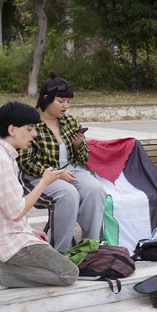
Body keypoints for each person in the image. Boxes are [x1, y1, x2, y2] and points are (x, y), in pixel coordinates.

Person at [0, 102, 79, 288]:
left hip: (1, 236)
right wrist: (44, 182)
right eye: (29, 129)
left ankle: (0, 267)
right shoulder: (0, 161)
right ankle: (0, 273)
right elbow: (16, 211)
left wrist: (29, 231)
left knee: (56, 259)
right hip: (5, 241)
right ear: (12, 129)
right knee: (68, 273)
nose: (34, 135)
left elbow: (4, 207)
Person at [17, 72, 106, 253]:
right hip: (38, 176)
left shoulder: (70, 121)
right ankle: (60, 254)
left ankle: (89, 247)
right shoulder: (30, 122)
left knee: (95, 190)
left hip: (71, 171)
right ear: (46, 98)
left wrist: (79, 144)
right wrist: (57, 174)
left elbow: (84, 159)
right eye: (61, 101)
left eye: (68, 101)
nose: (66, 106)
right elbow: (26, 162)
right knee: (68, 194)